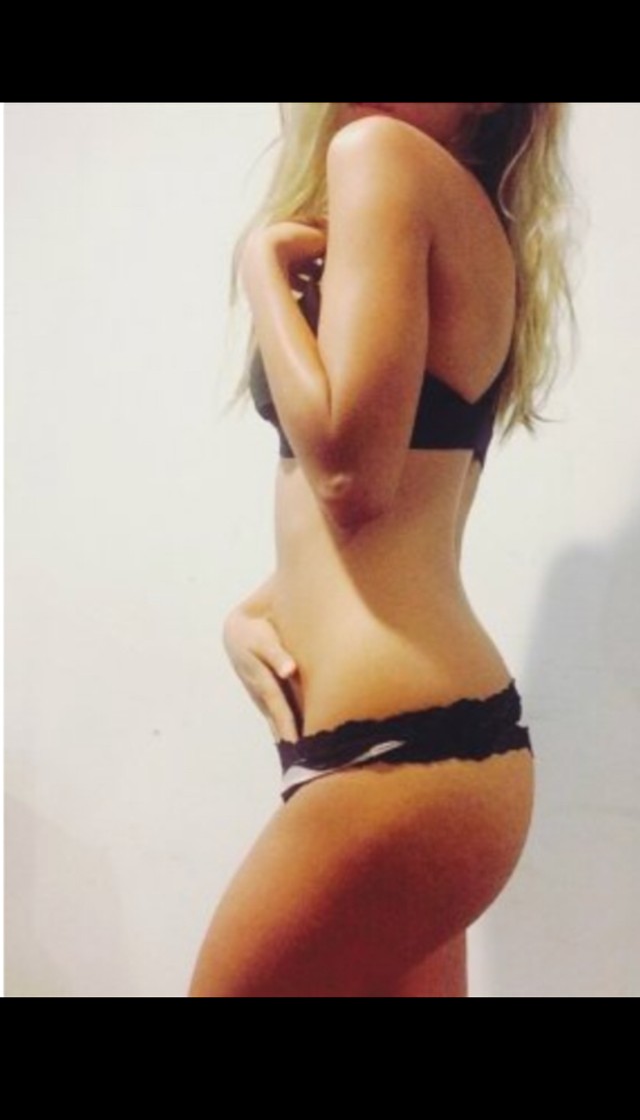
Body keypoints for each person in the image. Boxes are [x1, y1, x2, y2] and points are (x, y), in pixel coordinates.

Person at [187, 102, 575, 998]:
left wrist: (260, 266)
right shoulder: (462, 206)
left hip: (395, 764)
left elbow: (348, 479)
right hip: (436, 756)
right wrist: (258, 610)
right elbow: (411, 511)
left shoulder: (382, 157)